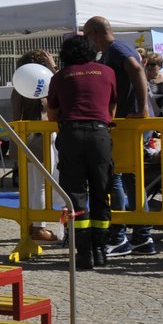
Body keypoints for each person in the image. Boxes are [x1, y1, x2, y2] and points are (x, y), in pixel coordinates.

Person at [47, 35, 118, 270]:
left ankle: (83, 253)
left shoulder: (60, 77)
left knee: (75, 194)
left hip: (71, 134)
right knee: (101, 191)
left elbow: (52, 114)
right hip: (100, 134)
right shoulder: (107, 72)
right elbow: (112, 106)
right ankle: (100, 250)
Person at [82, 16, 146, 254]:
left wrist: (143, 108)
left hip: (127, 122)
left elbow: (137, 69)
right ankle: (142, 235)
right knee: (131, 180)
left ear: (95, 33)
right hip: (124, 121)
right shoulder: (112, 51)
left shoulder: (117, 49)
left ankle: (119, 235)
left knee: (116, 177)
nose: (88, 42)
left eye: (87, 36)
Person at [11, 49, 62, 243]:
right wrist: (53, 68)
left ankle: (31, 224)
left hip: (24, 137)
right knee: (40, 186)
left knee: (31, 186)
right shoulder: (44, 85)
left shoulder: (18, 86)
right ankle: (39, 228)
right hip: (40, 138)